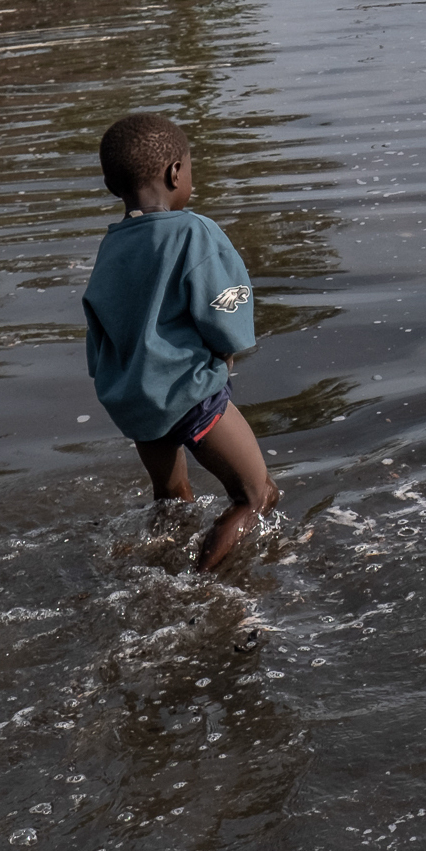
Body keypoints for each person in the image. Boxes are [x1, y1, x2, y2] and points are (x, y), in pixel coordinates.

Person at [80, 114, 280, 571]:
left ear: (113, 185)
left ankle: (159, 572)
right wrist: (224, 360)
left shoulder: (112, 246)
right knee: (257, 495)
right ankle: (199, 587)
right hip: (191, 395)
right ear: (175, 173)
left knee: (172, 503)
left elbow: (99, 330)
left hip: (135, 403)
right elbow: (225, 316)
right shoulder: (194, 232)